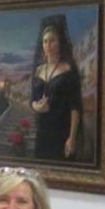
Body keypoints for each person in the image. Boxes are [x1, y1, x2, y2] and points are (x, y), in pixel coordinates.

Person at [29, 16, 83, 162]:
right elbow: (32, 100)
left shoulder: (68, 70)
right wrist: (37, 107)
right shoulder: (39, 70)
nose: (48, 45)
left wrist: (72, 138)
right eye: (45, 41)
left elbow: (75, 107)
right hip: (42, 130)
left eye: (52, 40)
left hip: (61, 131)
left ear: (60, 42)